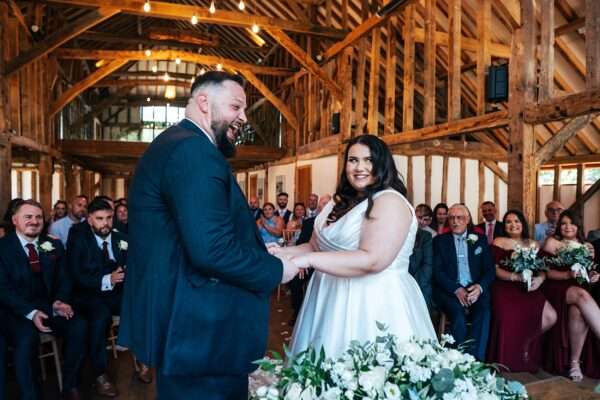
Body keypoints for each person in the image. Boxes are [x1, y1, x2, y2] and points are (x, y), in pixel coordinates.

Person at [118, 71, 297, 399]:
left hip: (186, 325)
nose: (243, 118)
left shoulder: (174, 144)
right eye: (236, 107)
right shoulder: (194, 152)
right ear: (204, 102)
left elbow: (192, 232)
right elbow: (210, 249)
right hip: (199, 330)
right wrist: (277, 270)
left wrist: (257, 251)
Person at [272, 134, 436, 359]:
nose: (360, 167)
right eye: (353, 160)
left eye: (369, 160)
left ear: (382, 163)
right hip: (327, 295)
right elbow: (315, 246)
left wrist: (306, 262)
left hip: (371, 300)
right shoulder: (338, 202)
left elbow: (372, 260)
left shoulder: (389, 201)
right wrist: (280, 253)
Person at [0, 200, 87, 400]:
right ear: (15, 220)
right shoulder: (3, 248)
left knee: (79, 326)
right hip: (15, 311)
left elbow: (65, 278)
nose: (34, 221)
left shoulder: (53, 244)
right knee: (26, 337)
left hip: (48, 306)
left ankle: (70, 383)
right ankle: (31, 395)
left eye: (38, 217)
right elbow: (2, 290)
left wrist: (59, 300)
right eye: (28, 217)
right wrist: (31, 312)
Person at [67, 198, 150, 396]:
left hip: (116, 292)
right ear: (89, 220)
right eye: (99, 219)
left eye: (109, 218)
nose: (105, 223)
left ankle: (142, 357)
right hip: (89, 294)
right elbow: (76, 274)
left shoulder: (121, 237)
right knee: (100, 318)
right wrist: (107, 279)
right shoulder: (78, 236)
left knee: (140, 307)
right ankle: (100, 374)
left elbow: (134, 264)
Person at [486, 210, 556, 372]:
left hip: (529, 286)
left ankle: (525, 344)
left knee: (551, 316)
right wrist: (515, 277)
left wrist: (540, 280)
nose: (513, 225)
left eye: (516, 221)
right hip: (506, 285)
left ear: (522, 224)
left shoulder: (534, 243)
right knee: (506, 318)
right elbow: (495, 270)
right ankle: (510, 359)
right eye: (509, 222)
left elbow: (543, 268)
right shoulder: (499, 241)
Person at [542, 210, 600, 381]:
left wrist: (593, 276)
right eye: (564, 223)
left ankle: (574, 364)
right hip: (556, 286)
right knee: (581, 296)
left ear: (578, 226)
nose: (568, 227)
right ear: (559, 226)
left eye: (572, 223)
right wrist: (568, 275)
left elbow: (588, 270)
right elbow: (546, 272)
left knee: (577, 311)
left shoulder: (586, 245)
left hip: (577, 288)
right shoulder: (552, 242)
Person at [432, 204, 495, 360]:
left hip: (474, 288)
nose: (455, 221)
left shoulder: (479, 240)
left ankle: (474, 360)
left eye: (459, 217)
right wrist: (456, 289)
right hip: (450, 290)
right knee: (457, 314)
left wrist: (479, 287)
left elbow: (490, 270)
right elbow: (437, 272)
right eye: (452, 218)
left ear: (467, 220)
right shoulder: (439, 241)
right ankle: (459, 359)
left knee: (483, 310)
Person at [288, 194, 332, 325]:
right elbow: (302, 243)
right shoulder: (309, 223)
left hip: (330, 264)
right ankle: (298, 312)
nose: (323, 207)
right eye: (321, 204)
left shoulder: (338, 222)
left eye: (327, 204)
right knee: (295, 280)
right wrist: (301, 261)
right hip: (309, 262)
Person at [408, 227, 434, 311]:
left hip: (419, 278)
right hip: (396, 278)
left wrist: (413, 283)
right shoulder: (391, 233)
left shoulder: (425, 236)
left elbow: (428, 264)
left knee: (423, 293)